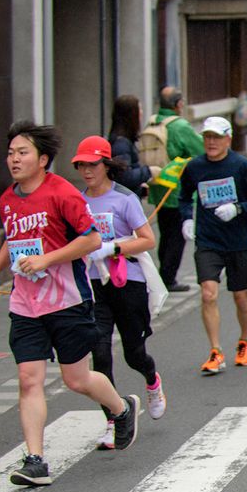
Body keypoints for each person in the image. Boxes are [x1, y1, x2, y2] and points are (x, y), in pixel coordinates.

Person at [0, 122, 140, 486]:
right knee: (28, 379)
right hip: (26, 303)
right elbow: (13, 238)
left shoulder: (63, 194)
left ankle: (121, 407)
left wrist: (47, 260)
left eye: (22, 153)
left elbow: (91, 240)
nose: (14, 159)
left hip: (67, 300)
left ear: (43, 159)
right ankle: (35, 460)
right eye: (10, 153)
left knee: (76, 378)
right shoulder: (8, 198)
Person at [74, 136, 166, 448]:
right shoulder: (76, 200)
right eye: (81, 165)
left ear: (107, 165)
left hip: (128, 282)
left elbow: (147, 239)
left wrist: (113, 247)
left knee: (133, 352)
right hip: (92, 285)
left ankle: (151, 379)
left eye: (93, 164)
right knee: (99, 352)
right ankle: (115, 419)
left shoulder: (124, 198)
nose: (87, 171)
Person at [178, 117, 247, 374]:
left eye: (217, 137)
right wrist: (187, 218)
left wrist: (238, 208)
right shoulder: (195, 167)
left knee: (241, 297)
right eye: (207, 137)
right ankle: (215, 351)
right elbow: (184, 196)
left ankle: (244, 340)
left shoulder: (242, 166)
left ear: (228, 139)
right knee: (208, 293)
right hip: (208, 240)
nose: (211, 142)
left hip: (237, 240)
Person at [146, 88, 206, 292]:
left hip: (157, 184)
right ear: (178, 104)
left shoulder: (153, 121)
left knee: (165, 232)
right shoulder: (180, 126)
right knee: (176, 235)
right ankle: (168, 278)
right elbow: (200, 149)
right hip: (176, 188)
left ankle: (164, 274)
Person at [107, 94, 158, 195]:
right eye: (139, 109)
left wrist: (139, 187)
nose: (141, 113)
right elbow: (124, 177)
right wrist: (148, 171)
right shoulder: (121, 144)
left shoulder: (122, 140)